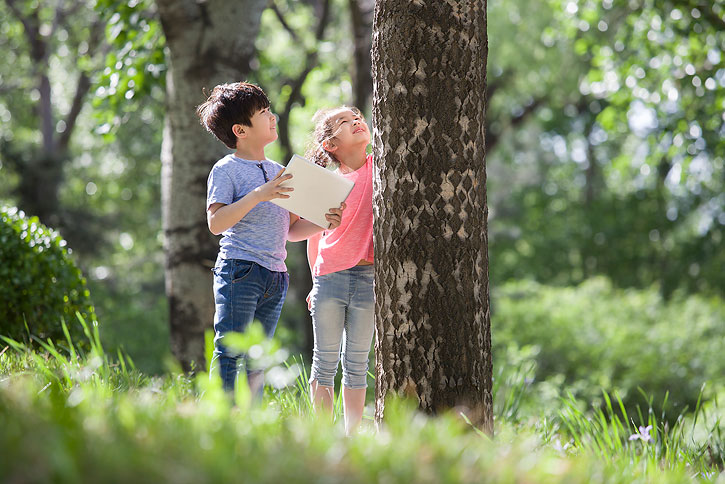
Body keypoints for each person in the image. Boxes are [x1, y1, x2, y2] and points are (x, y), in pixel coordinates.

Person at [195, 81, 343, 396]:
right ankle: (223, 418)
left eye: (269, 109)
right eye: (263, 112)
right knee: (230, 350)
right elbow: (216, 223)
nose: (272, 116)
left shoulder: (281, 171)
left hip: (276, 276)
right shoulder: (226, 170)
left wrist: (323, 223)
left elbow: (290, 230)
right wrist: (259, 195)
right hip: (240, 271)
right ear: (240, 130)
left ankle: (251, 420)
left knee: (257, 358)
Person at [305, 106, 375, 434]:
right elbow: (311, 237)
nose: (356, 122)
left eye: (357, 117)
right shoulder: (328, 183)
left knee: (357, 363)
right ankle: (322, 436)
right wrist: (312, 281)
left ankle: (352, 435)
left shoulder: (383, 168)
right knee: (324, 362)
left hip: (369, 278)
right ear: (331, 145)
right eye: (344, 122)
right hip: (328, 278)